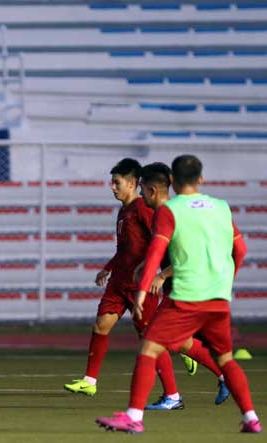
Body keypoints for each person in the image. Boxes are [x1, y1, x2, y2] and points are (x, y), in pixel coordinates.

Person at [96, 155, 261, 434]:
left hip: (186, 296)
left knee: (148, 348)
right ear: (201, 179)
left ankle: (135, 416)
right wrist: (225, 281)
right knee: (225, 359)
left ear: (171, 181)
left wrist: (143, 288)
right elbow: (241, 250)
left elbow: (156, 252)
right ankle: (251, 418)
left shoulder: (169, 210)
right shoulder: (221, 206)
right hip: (218, 298)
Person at [64, 158, 183, 408]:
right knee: (101, 326)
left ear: (132, 184)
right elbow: (123, 249)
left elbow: (159, 243)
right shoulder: (123, 210)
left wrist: (152, 272)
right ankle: (89, 381)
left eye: (117, 182)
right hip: (119, 282)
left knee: (150, 340)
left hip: (140, 285)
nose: (112, 187)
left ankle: (173, 394)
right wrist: (107, 268)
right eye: (112, 182)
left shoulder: (143, 209)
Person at [136, 162, 229, 408]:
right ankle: (224, 375)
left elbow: (190, 256)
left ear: (152, 190)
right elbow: (164, 249)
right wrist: (145, 266)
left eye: (142, 188)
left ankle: (169, 398)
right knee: (180, 342)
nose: (140, 194)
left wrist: (161, 276)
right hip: (180, 287)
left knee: (152, 338)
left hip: (183, 287)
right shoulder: (163, 213)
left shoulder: (172, 214)